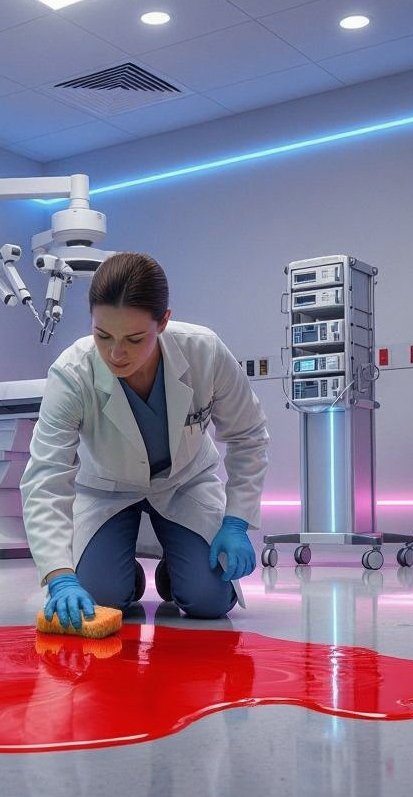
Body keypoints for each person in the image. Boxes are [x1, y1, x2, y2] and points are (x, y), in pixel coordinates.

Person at [20, 252, 269, 628]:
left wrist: (236, 522)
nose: (116, 353)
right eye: (102, 335)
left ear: (163, 321)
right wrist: (60, 577)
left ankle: (177, 570)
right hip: (106, 489)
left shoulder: (204, 352)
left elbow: (248, 435)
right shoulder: (72, 372)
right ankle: (124, 576)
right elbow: (45, 475)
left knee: (209, 600)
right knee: (100, 598)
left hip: (185, 483)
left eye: (134, 339)